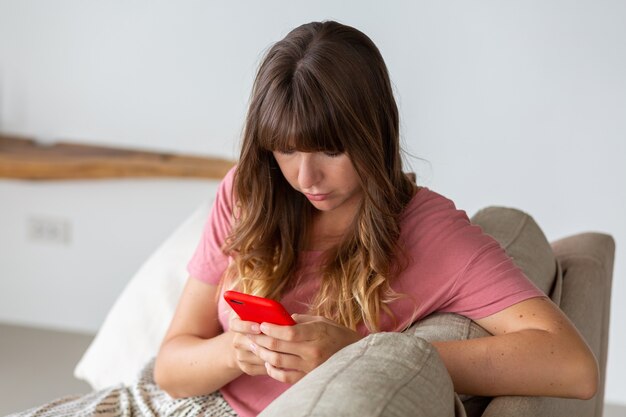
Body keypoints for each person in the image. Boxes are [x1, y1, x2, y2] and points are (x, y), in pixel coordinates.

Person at [10, 20, 598, 417]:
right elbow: (171, 365)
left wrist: (364, 351)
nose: (305, 178)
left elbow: (572, 367)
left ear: (376, 134)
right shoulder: (249, 193)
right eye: (285, 150)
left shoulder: (429, 230)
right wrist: (232, 352)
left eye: (329, 151)